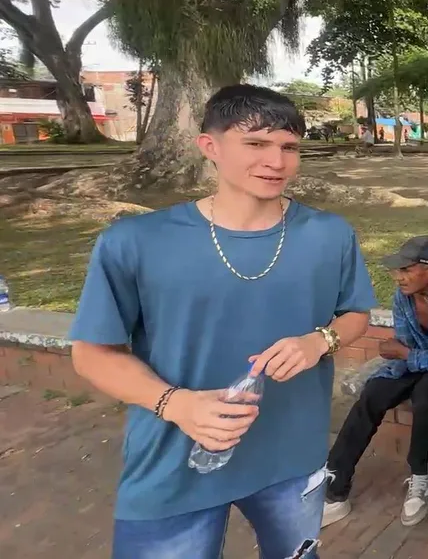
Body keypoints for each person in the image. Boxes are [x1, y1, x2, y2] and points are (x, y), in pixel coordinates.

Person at [68, 85, 377, 559]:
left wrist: (320, 341)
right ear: (209, 146)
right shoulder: (136, 241)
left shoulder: (330, 234)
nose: (276, 161)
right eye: (256, 143)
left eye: (289, 147)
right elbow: (92, 353)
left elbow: (356, 313)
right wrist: (176, 404)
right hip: (174, 458)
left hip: (291, 455)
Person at [323, 235, 428, 529]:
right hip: (417, 362)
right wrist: (403, 358)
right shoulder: (403, 297)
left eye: (406, 270)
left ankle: (420, 478)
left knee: (427, 393)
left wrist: (407, 355)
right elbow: (405, 343)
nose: (398, 277)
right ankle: (334, 483)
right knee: (374, 392)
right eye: (397, 270)